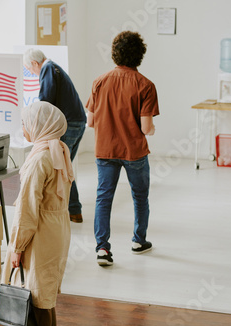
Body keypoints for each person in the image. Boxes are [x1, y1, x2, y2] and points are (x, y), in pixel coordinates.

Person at [86, 31, 160, 266]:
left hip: (105, 149)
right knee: (140, 196)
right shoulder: (146, 85)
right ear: (140, 55)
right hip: (134, 152)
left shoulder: (99, 81)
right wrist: (152, 129)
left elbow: (90, 121)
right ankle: (139, 241)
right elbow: (146, 128)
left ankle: (102, 249)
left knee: (103, 198)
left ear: (115, 54)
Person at [1, 101, 73, 326]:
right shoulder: (60, 149)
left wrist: (17, 247)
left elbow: (27, 208)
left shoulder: (41, 158)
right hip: (57, 230)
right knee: (45, 294)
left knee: (34, 298)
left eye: (25, 123)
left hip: (39, 234)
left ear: (40, 125)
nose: (23, 128)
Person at [23, 48, 87, 223]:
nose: (31, 73)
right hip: (77, 122)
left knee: (61, 167)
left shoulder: (48, 69)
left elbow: (46, 100)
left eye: (29, 69)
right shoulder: (54, 67)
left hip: (70, 124)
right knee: (64, 166)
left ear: (35, 63)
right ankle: (73, 210)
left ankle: (67, 211)